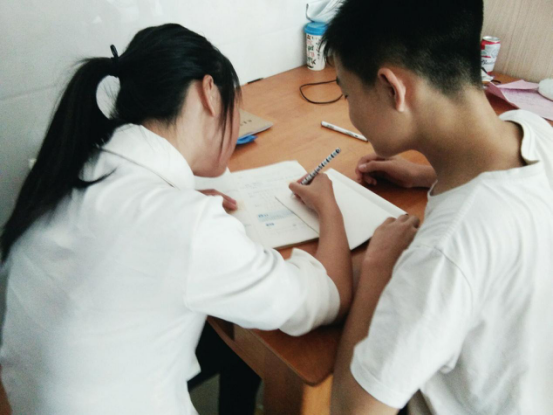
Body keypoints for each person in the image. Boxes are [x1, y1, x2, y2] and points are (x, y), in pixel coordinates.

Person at [0, 23, 353, 415]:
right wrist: (330, 209)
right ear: (209, 93)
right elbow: (326, 299)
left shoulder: (69, 166)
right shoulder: (187, 225)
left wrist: (180, 202)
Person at [321, 1, 553, 414]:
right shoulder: (531, 129)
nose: (350, 109)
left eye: (348, 93)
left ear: (392, 88)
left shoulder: (445, 250)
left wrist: (378, 269)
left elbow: (353, 410)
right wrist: (424, 174)